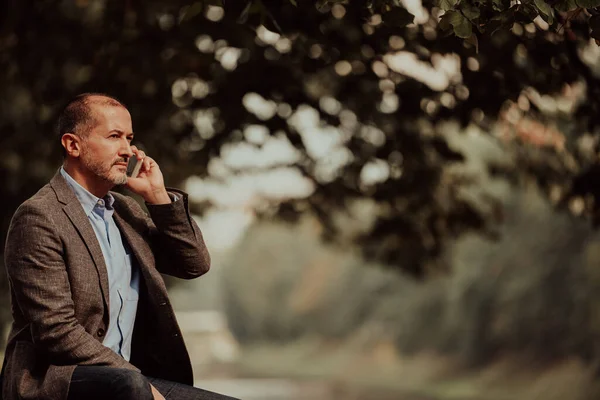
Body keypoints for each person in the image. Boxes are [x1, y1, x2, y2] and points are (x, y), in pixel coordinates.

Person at [0, 93, 238, 400]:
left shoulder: (127, 212)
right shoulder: (39, 216)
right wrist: (135, 378)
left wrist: (158, 198)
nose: (127, 150)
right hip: (58, 381)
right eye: (114, 137)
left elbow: (193, 264)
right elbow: (56, 331)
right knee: (131, 387)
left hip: (129, 380)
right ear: (73, 145)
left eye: (129, 138)